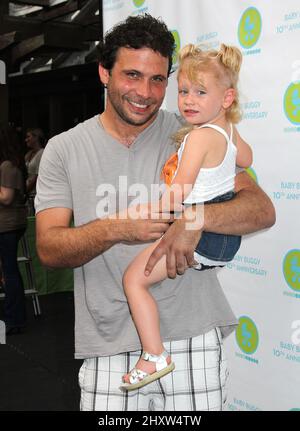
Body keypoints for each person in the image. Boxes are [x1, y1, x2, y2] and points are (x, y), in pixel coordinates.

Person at [35, 14, 275, 411]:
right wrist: (117, 228)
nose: (144, 92)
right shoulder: (64, 149)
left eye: (158, 79)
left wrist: (192, 221)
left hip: (191, 336)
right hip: (106, 344)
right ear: (103, 73)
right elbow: (50, 248)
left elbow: (261, 209)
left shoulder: (192, 130)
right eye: (132, 75)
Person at [120, 43, 253, 391]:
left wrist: (148, 215)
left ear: (225, 98)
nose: (188, 100)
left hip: (203, 235)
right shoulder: (226, 129)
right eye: (183, 92)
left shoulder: (198, 138)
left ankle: (154, 355)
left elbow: (179, 191)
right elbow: (247, 159)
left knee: (134, 280)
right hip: (224, 239)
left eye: (199, 92)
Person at [0, 123, 27, 335]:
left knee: (9, 272)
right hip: (11, 224)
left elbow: (6, 198)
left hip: (6, 225)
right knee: (10, 271)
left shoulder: (7, 166)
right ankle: (13, 317)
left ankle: (13, 318)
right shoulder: (12, 165)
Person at [25, 127, 46, 215]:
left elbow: (38, 175)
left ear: (36, 137)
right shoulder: (28, 154)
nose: (26, 140)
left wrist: (26, 190)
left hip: (35, 194)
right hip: (28, 194)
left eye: (28, 137)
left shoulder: (42, 153)